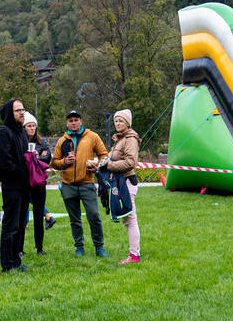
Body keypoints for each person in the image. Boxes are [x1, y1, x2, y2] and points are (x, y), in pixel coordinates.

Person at [50, 109, 110, 258]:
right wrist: (65, 162)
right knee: (74, 219)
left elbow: (104, 155)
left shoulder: (92, 136)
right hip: (68, 185)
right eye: (70, 121)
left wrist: (97, 165)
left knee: (94, 216)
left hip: (87, 183)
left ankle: (99, 247)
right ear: (67, 123)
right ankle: (79, 247)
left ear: (81, 121)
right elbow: (54, 162)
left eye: (76, 120)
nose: (73, 123)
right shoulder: (62, 140)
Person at [0, 98, 30, 272]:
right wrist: (21, 172)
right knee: (11, 225)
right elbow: (4, 162)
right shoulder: (3, 133)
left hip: (24, 186)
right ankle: (7, 264)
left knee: (21, 224)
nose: (22, 113)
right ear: (10, 113)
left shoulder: (22, 132)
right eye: (17, 110)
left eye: (23, 109)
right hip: (12, 186)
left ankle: (16, 260)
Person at [103, 109, 143, 265]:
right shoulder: (119, 139)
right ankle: (134, 254)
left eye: (121, 121)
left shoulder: (130, 139)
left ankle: (134, 255)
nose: (117, 123)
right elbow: (111, 158)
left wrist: (109, 165)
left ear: (128, 123)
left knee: (130, 219)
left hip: (127, 182)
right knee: (128, 220)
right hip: (120, 182)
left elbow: (130, 162)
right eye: (116, 121)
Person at [19, 112, 53, 255]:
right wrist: (35, 157)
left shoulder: (41, 141)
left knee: (39, 216)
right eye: (29, 126)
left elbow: (48, 158)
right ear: (24, 127)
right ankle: (19, 249)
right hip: (24, 183)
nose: (32, 128)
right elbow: (21, 160)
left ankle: (39, 248)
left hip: (39, 183)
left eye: (34, 126)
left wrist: (37, 158)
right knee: (22, 217)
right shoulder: (20, 141)